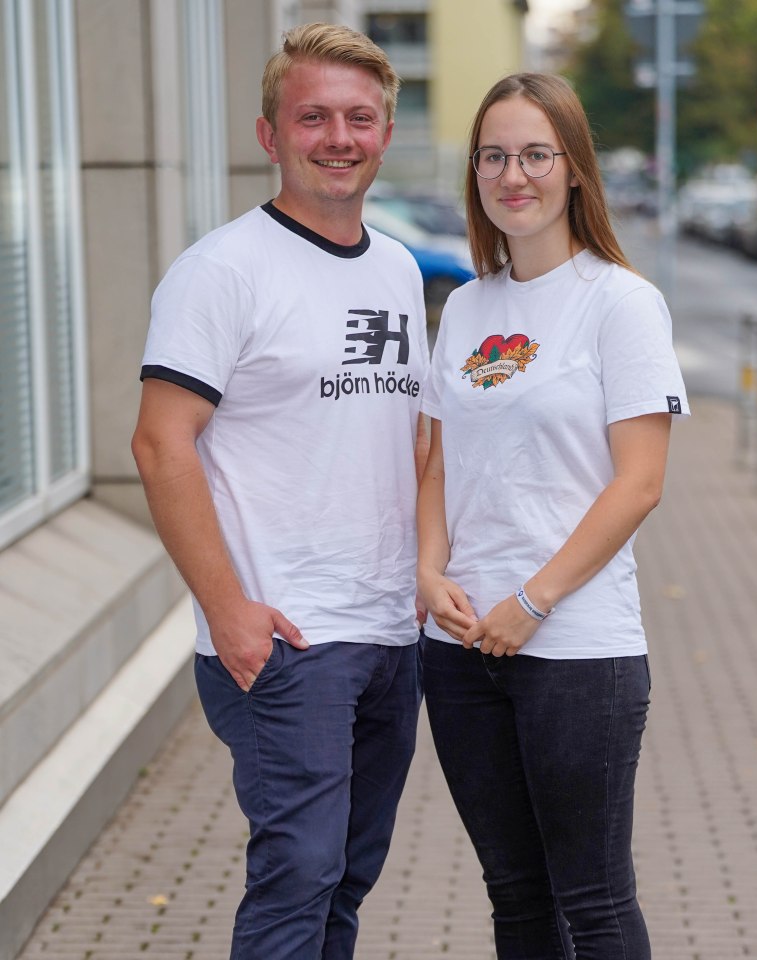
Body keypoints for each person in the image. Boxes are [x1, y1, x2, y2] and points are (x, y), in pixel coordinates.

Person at [131, 23, 429, 960]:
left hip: (387, 631)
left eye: (359, 118)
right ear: (270, 135)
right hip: (286, 637)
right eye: (313, 118)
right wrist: (229, 612)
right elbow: (159, 443)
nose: (337, 137)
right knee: (296, 873)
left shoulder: (397, 268)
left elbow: (412, 443)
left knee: (344, 873)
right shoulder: (222, 270)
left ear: (385, 131)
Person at [416, 72, 689, 960]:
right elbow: (436, 459)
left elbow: (637, 482)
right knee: (516, 896)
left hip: (575, 649)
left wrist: (531, 602)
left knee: (593, 900)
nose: (512, 174)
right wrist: (429, 574)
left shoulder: (620, 302)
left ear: (573, 169)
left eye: (534, 153)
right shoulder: (465, 305)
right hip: (461, 650)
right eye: (493, 155)